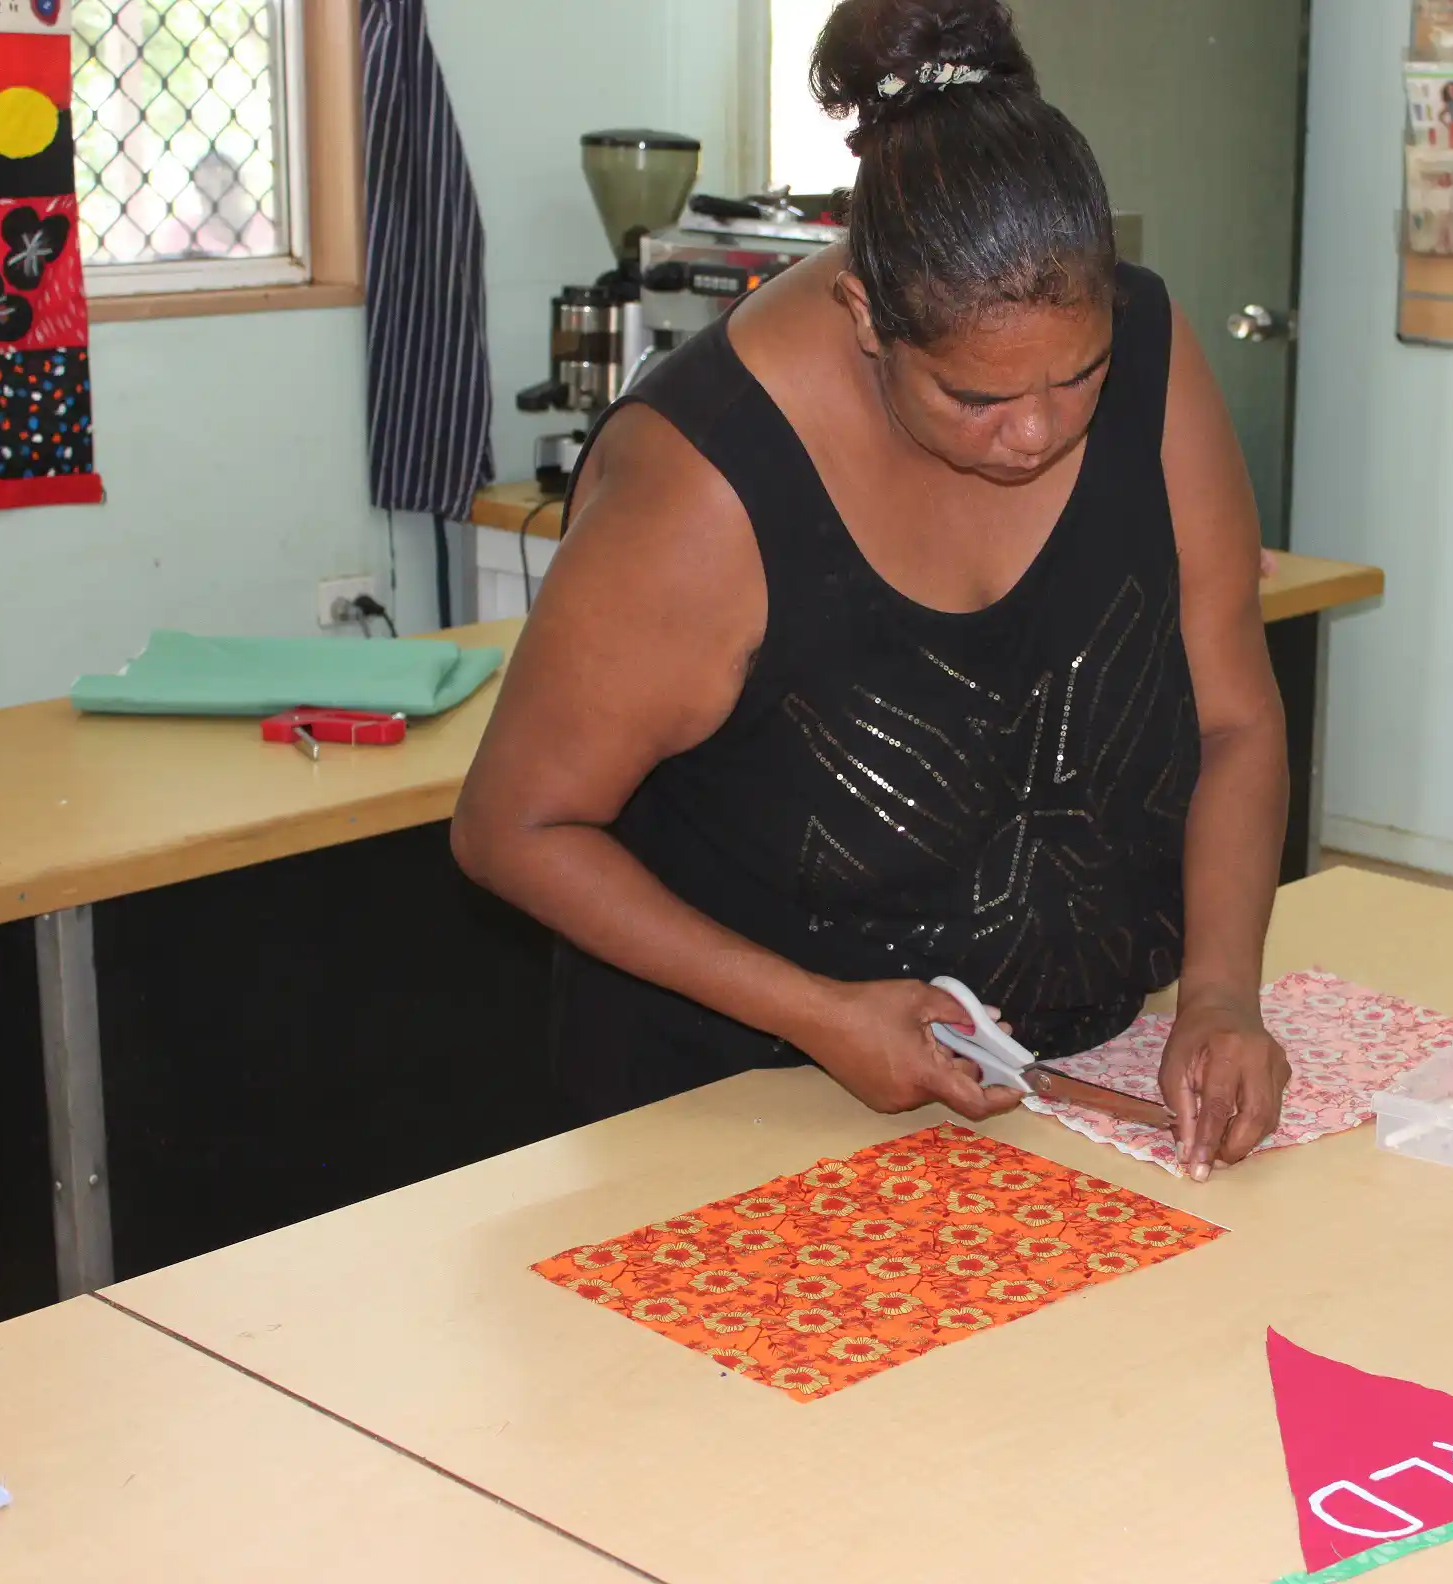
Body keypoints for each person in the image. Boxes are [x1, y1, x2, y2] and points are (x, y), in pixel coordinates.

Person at [452, 0, 1293, 1181]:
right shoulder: (707, 482)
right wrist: (814, 1009)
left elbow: (1235, 719)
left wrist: (1216, 996)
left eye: (1080, 374)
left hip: (1063, 1093)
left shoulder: (1151, 347)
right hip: (729, 1124)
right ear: (864, 318)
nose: (1039, 433)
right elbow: (513, 828)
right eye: (975, 400)